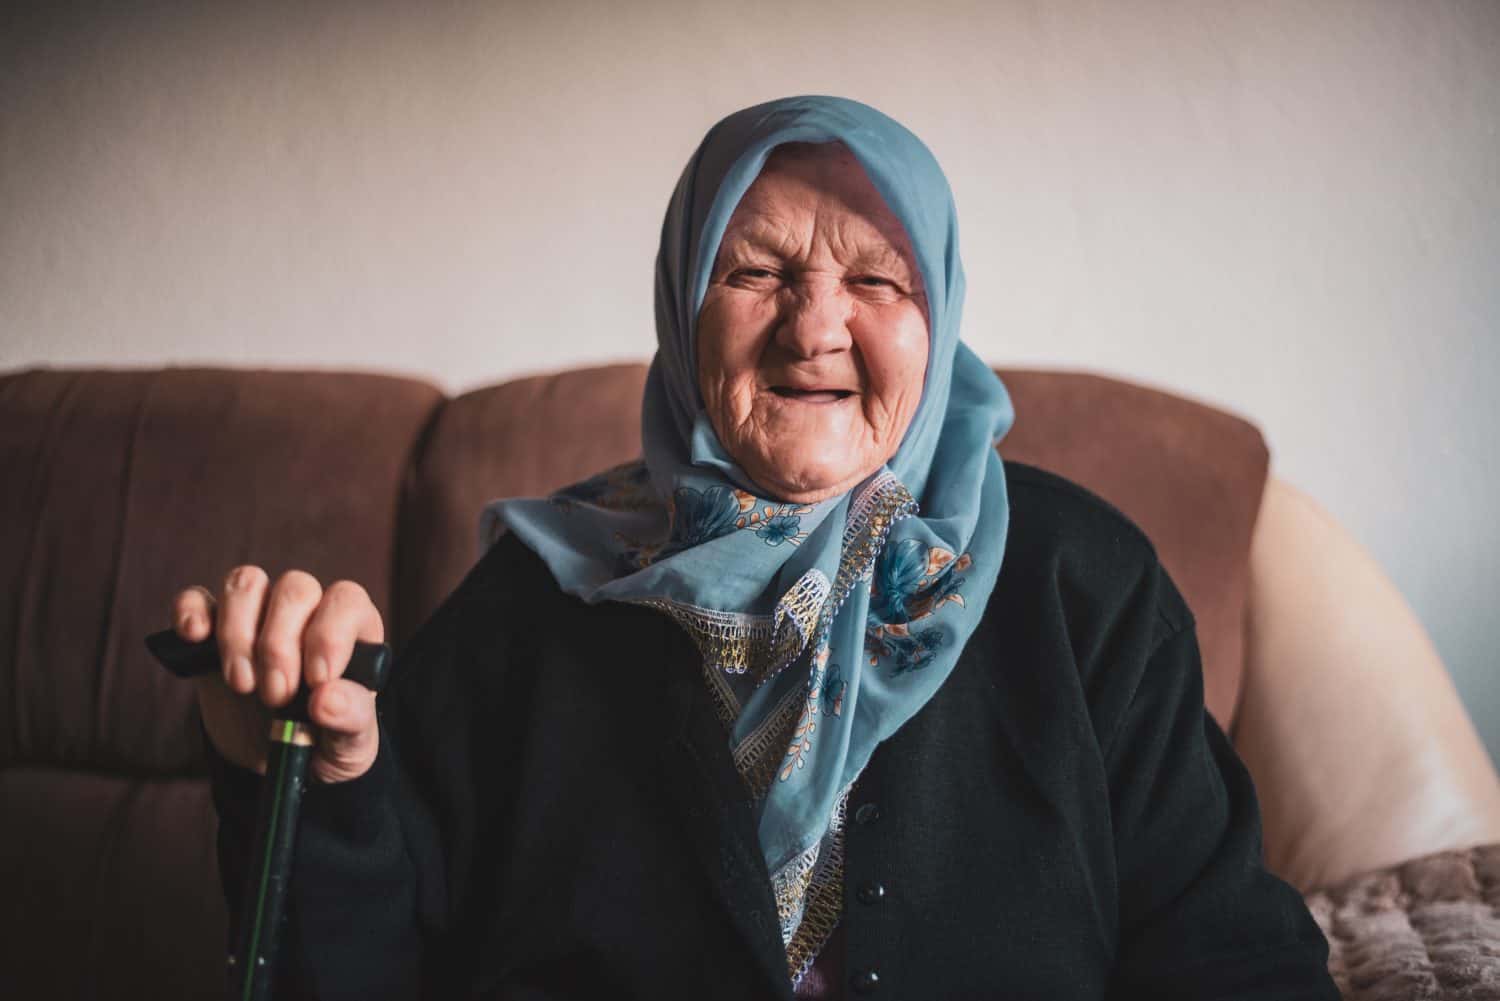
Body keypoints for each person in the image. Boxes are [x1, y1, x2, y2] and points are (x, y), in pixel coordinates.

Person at [174, 96, 1339, 1000]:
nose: (814, 324)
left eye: (877, 277)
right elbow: (351, 969)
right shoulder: (540, 599)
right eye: (757, 270)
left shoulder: (1080, 585)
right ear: (684, 307)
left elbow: (1229, 955)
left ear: (940, 314)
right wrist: (294, 770)